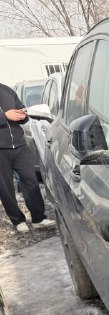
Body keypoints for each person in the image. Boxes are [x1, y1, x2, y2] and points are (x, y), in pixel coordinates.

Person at [0, 82, 54, 233]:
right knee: (6, 189)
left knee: (31, 180)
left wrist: (23, 114)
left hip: (19, 145)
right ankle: (18, 220)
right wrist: (4, 116)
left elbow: (20, 110)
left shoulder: (6, 90)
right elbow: (7, 115)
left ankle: (39, 218)